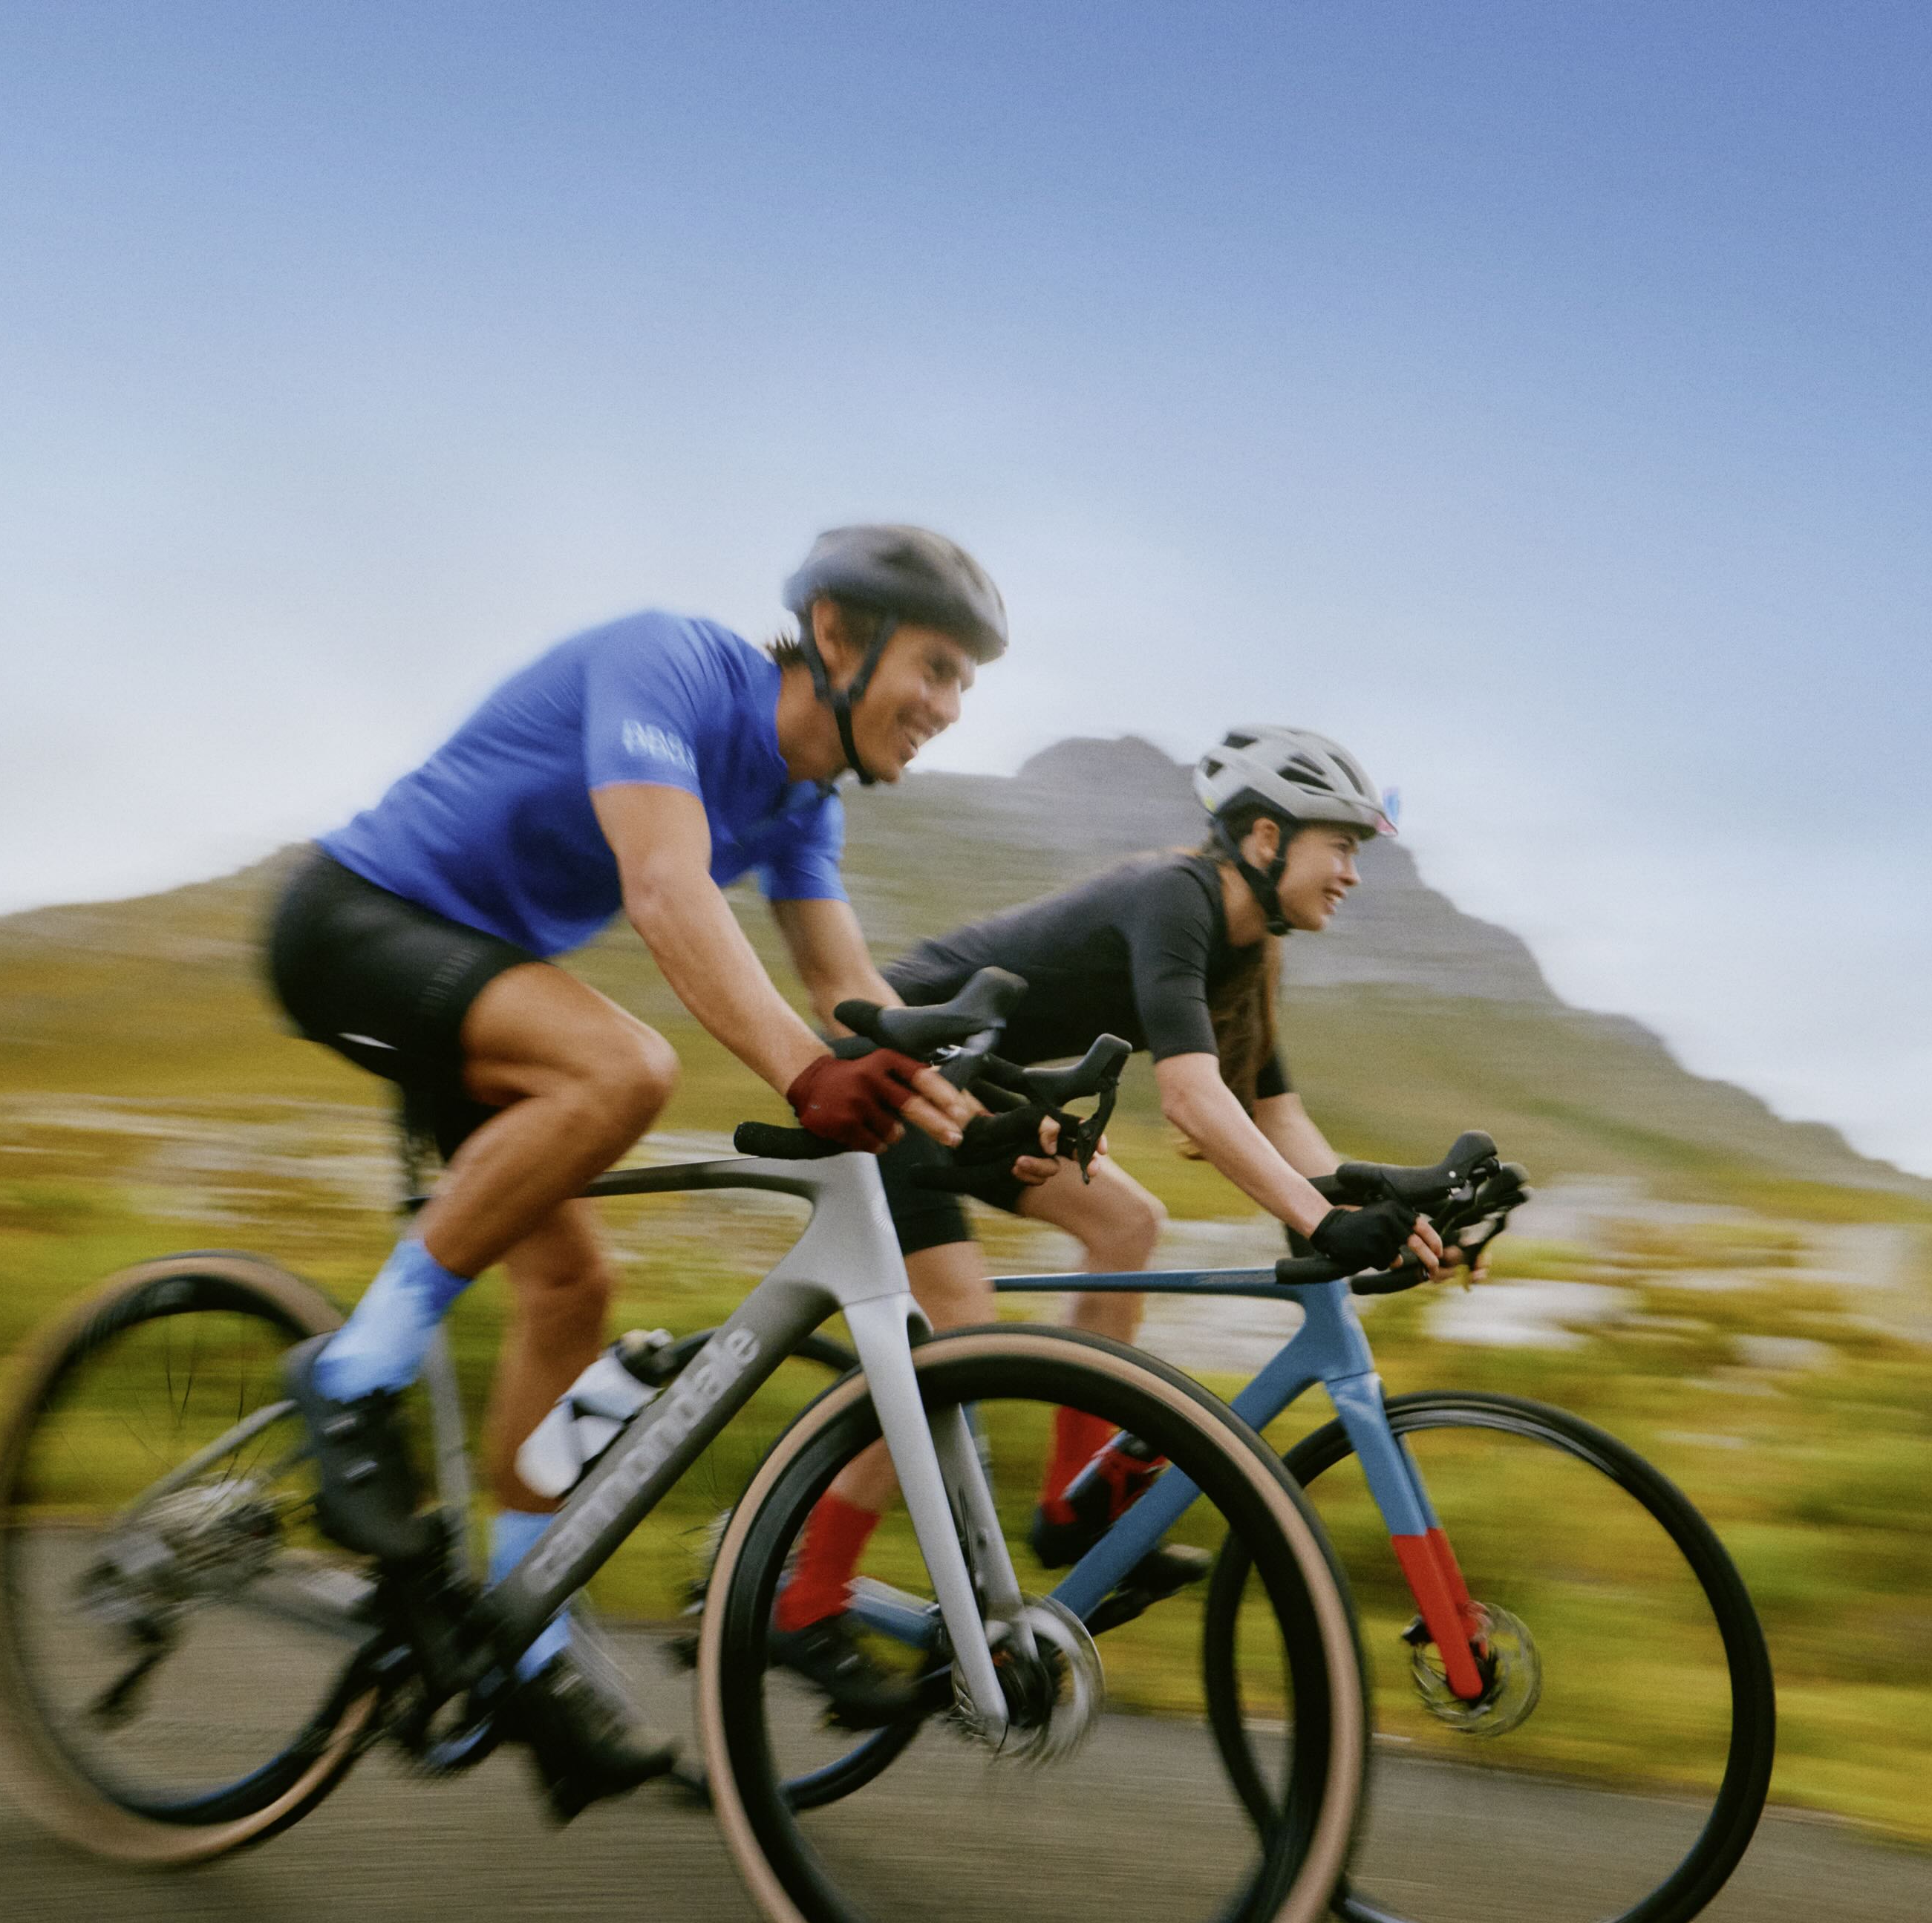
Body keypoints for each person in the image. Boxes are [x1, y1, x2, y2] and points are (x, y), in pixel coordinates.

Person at [264, 524, 1008, 1818]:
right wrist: (805, 1076)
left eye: (965, 684)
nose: (947, 707)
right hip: (355, 926)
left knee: (573, 1293)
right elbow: (665, 887)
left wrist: (981, 1122)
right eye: (935, 669)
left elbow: (848, 992)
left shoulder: (804, 803)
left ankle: (524, 1642)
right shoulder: (669, 666)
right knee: (622, 1069)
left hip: (470, 991)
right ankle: (352, 1376)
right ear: (838, 635)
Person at [768, 725, 1453, 1721]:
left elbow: (1272, 1113)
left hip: (983, 1093)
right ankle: (806, 1596)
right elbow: (1191, 1102)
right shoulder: (1174, 898)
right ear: (1266, 838)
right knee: (957, 1333)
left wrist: (1387, 1214)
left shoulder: (1247, 951)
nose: (1352, 872)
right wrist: (1315, 1217)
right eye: (1340, 846)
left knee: (1129, 1223)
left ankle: (1070, 1501)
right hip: (895, 1069)